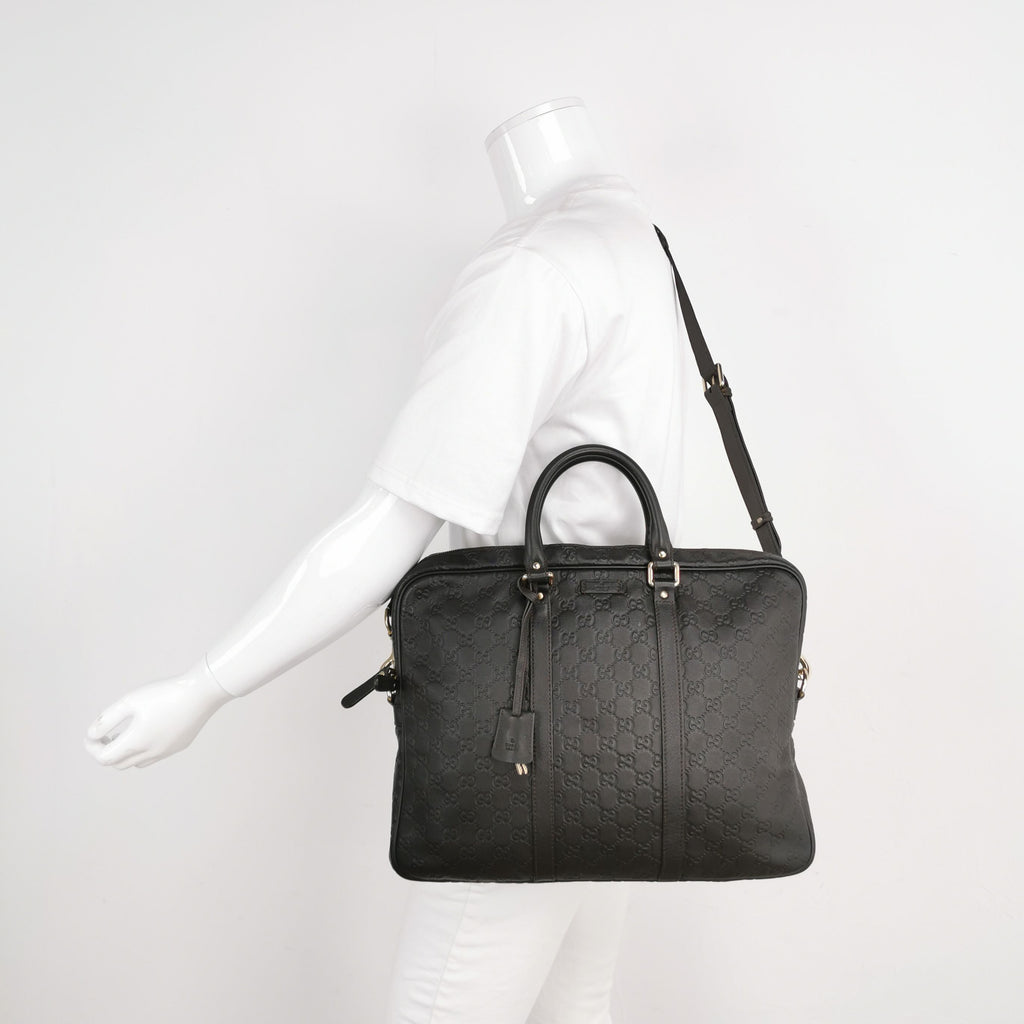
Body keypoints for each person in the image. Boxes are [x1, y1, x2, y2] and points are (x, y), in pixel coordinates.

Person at [84, 96, 692, 1024]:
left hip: (530, 731)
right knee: (579, 1000)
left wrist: (203, 686)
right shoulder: (641, 241)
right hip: (630, 714)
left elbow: (393, 520)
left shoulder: (534, 269)